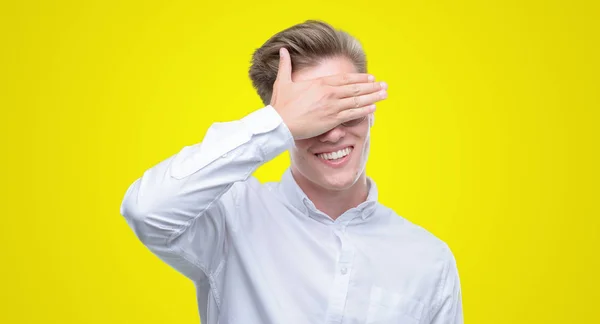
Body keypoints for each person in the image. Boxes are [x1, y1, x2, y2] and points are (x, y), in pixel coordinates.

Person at [120, 20, 463, 324]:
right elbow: (146, 210)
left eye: (345, 106)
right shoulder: (231, 218)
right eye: (314, 114)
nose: (333, 132)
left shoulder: (429, 259)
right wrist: (276, 124)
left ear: (370, 109)